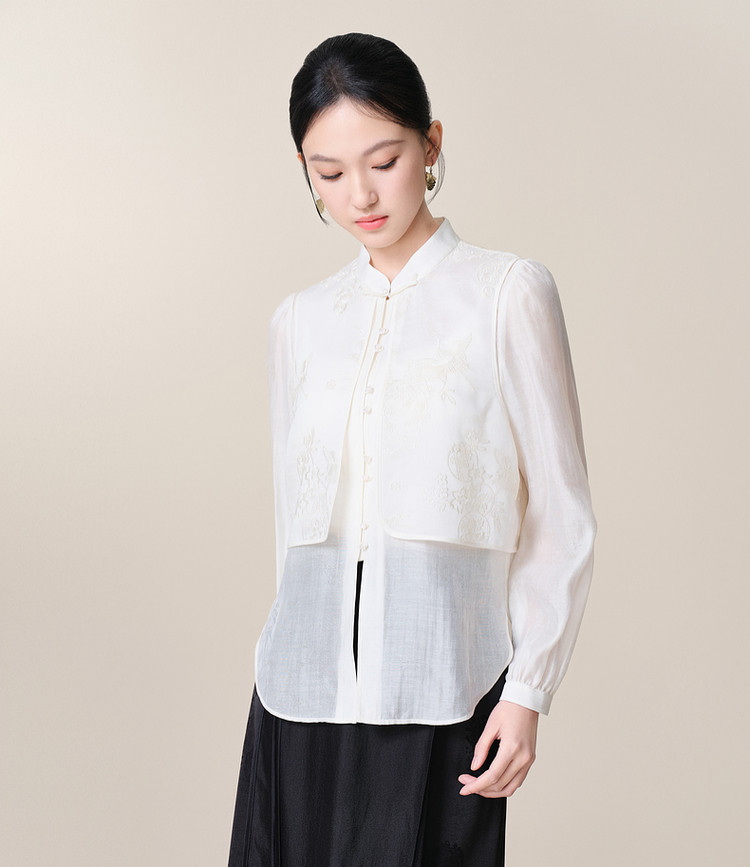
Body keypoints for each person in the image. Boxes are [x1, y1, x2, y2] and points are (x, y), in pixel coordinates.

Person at [229, 32, 596, 867]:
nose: (359, 194)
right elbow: (293, 526)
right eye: (328, 173)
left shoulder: (507, 294)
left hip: (445, 690)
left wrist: (528, 690)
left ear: (430, 144)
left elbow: (563, 512)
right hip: (299, 697)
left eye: (383, 160)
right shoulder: (299, 322)